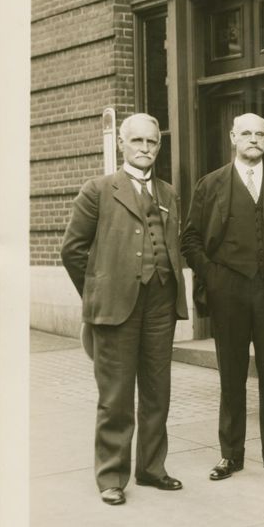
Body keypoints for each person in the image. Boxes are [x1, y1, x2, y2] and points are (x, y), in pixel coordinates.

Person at [60, 113, 189, 505]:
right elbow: (73, 250)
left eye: (152, 142)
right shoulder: (98, 189)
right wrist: (99, 289)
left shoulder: (168, 193)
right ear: (122, 144)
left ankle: (151, 468)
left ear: (158, 146)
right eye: (137, 142)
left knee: (157, 391)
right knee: (115, 395)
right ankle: (112, 476)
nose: (145, 149)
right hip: (116, 307)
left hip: (160, 304)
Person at [181, 112, 264, 480]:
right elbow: (189, 239)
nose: (253, 139)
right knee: (232, 377)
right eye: (246, 134)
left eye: (259, 134)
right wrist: (213, 277)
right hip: (229, 294)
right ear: (233, 138)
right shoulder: (210, 185)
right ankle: (230, 455)